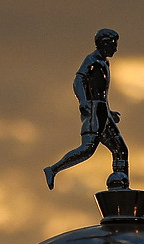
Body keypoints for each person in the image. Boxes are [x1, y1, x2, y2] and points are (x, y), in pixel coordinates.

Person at [44, 29, 129, 189]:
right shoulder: (91, 60)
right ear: (104, 44)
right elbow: (78, 80)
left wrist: (109, 113)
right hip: (94, 111)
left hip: (103, 111)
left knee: (120, 149)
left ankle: (121, 184)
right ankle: (53, 169)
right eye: (113, 45)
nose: (115, 49)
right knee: (87, 149)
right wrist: (83, 101)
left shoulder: (104, 62)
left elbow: (101, 92)